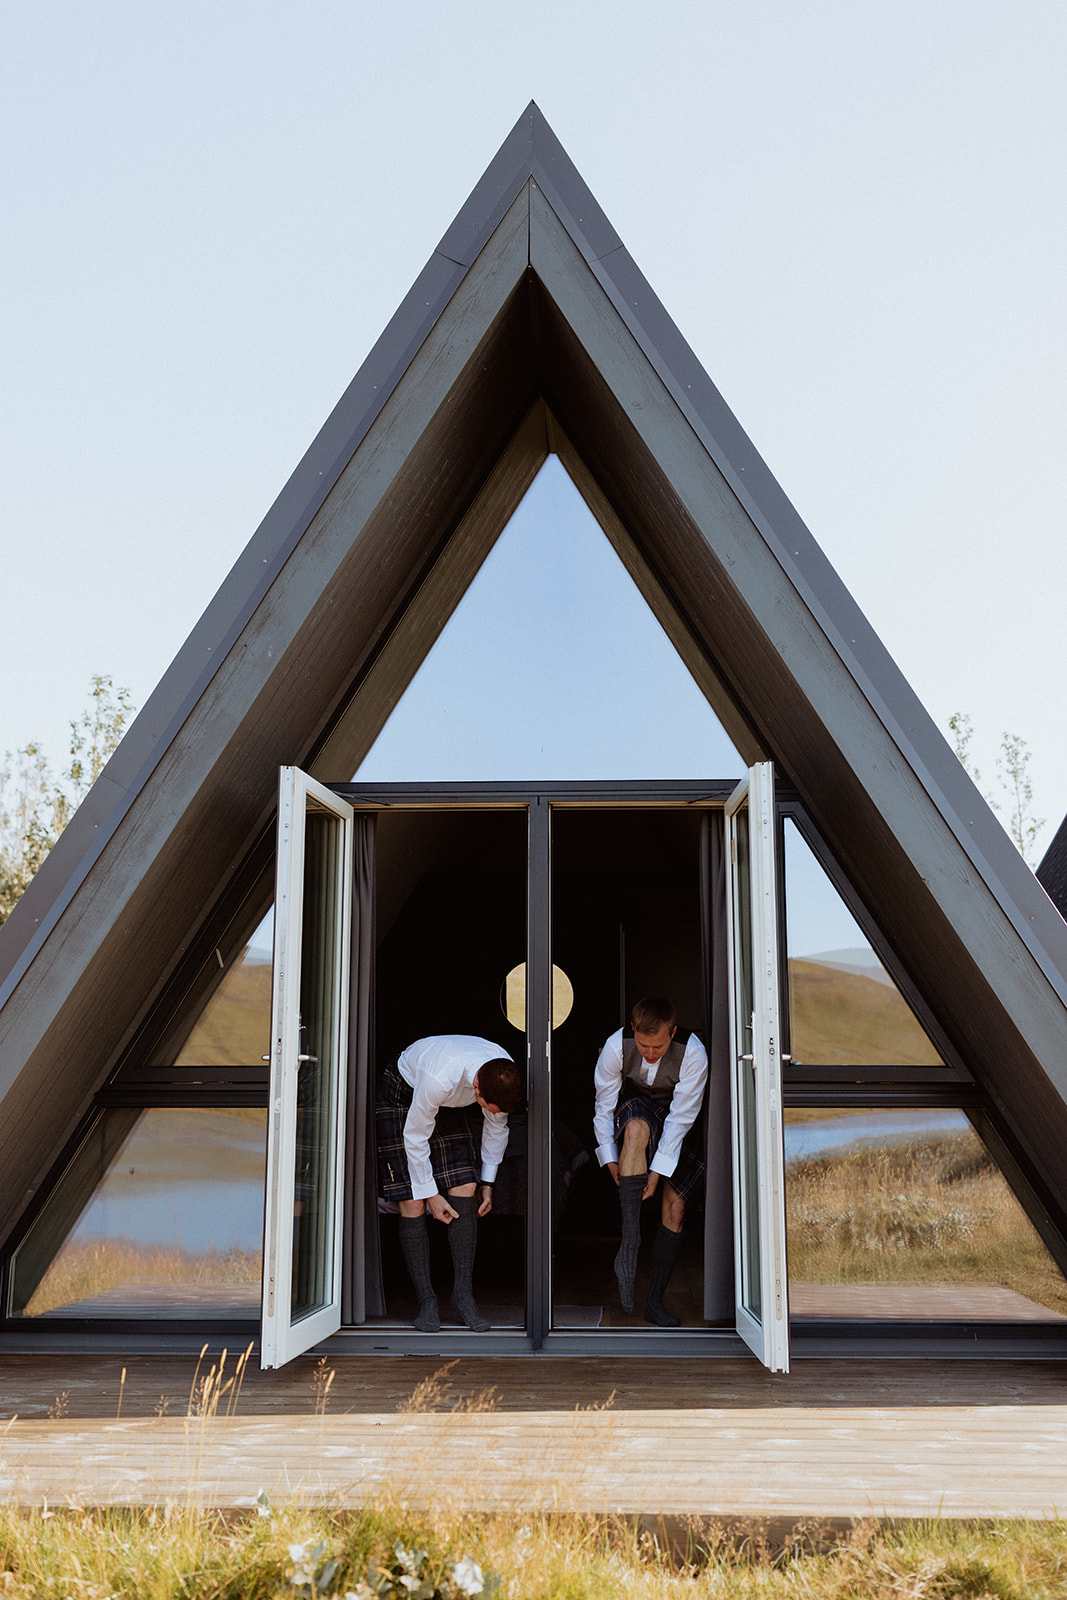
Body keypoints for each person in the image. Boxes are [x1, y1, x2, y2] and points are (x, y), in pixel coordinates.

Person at [376, 1034, 524, 1332]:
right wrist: (431, 1195)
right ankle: (427, 1300)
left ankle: (463, 1295)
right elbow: (415, 1138)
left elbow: (498, 1127)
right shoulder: (438, 1079)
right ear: (477, 1088)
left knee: (465, 1186)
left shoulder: (501, 1069)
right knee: (412, 1201)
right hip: (403, 1097)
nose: (493, 1113)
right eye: (488, 1107)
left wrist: (488, 1182)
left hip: (445, 1104)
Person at [593, 995, 708, 1326]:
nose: (650, 1053)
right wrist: (609, 1158)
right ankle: (630, 1243)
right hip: (638, 1107)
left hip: (680, 1119)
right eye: (644, 1045)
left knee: (676, 1208)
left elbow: (680, 1119)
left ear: (671, 1033)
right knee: (636, 1130)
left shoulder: (694, 1053)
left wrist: (656, 1174)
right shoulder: (616, 1046)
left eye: (657, 1046)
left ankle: (654, 1301)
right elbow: (604, 1106)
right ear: (633, 1030)